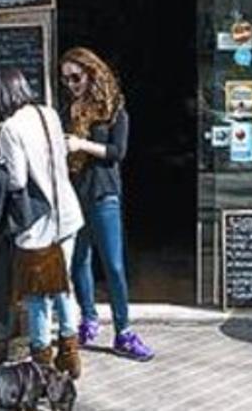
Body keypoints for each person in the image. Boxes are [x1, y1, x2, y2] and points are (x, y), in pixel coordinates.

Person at [60, 47, 154, 361]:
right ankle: (88, 318)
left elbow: (118, 151)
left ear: (91, 73)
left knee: (113, 264)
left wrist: (82, 144)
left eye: (76, 77)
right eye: (66, 79)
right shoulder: (69, 109)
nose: (71, 84)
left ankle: (124, 330)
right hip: (75, 193)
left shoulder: (114, 108)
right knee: (79, 260)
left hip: (104, 193)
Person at [0, 68, 85, 378]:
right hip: (67, 211)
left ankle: (41, 362)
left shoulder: (10, 128)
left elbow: (18, 179)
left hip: (38, 223)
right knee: (63, 286)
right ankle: (70, 355)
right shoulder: (48, 113)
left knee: (37, 295)